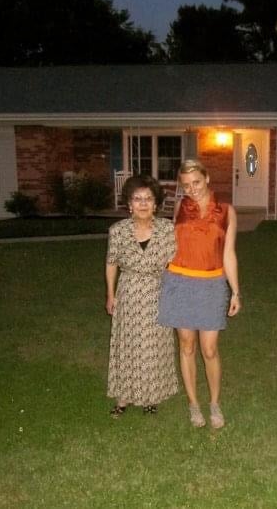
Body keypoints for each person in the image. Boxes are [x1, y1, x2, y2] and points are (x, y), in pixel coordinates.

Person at [158, 159, 241, 428]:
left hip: (212, 284)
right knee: (186, 345)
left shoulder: (227, 211)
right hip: (180, 281)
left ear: (207, 178)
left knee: (209, 348)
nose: (191, 189)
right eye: (185, 185)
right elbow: (168, 244)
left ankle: (214, 404)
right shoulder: (181, 208)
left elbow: (228, 253)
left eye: (196, 182)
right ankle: (194, 405)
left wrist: (235, 291)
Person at [105, 175, 178, 417]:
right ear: (129, 204)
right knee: (127, 345)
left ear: (156, 204)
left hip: (158, 293)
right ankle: (123, 397)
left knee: (154, 346)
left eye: (148, 199)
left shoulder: (167, 229)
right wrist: (110, 295)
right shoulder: (118, 231)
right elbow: (111, 263)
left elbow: (174, 265)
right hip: (128, 294)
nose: (143, 203)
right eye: (138, 199)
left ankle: (151, 396)